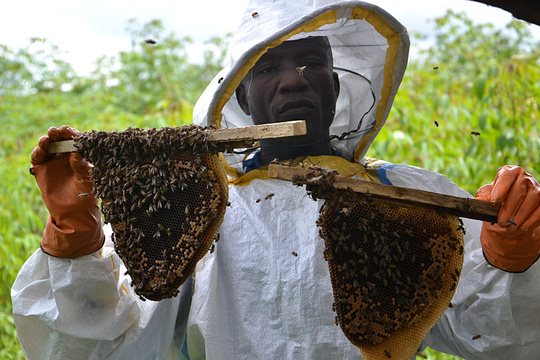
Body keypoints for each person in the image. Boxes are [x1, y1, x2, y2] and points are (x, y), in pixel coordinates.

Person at [12, 1, 540, 359]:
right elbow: (112, 346)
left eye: (313, 62)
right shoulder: (196, 210)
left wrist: (510, 261)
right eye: (268, 68)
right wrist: (75, 240)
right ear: (241, 95)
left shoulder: (413, 200)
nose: (295, 78)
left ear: (337, 84)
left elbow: (493, 338)